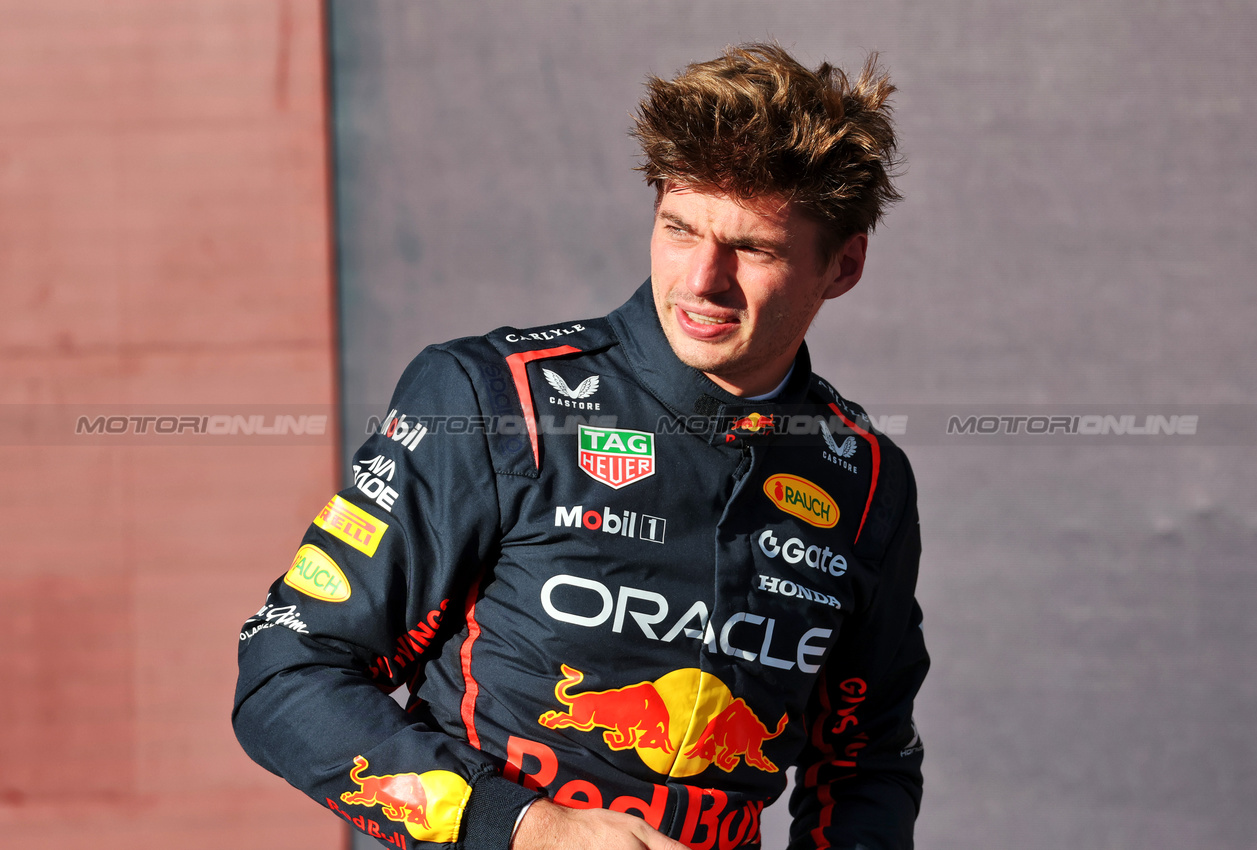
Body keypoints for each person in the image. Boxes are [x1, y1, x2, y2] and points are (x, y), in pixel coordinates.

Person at [234, 42, 928, 850]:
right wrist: (527, 828)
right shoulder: (493, 399)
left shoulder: (867, 480)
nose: (701, 279)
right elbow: (287, 671)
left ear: (842, 266)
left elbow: (866, 761)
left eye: (752, 249)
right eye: (678, 229)